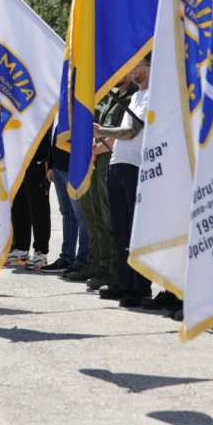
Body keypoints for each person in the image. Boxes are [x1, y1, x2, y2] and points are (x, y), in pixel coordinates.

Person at [95, 56, 151, 308]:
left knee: (133, 230)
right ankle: (122, 281)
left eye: (136, 66)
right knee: (119, 230)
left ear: (148, 68)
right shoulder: (134, 98)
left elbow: (132, 131)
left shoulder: (151, 97)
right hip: (118, 164)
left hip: (135, 167)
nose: (132, 70)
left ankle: (139, 287)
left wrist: (102, 130)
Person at [75, 74, 137, 289]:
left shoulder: (131, 98)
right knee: (94, 217)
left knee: (109, 218)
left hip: (107, 160)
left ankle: (112, 271)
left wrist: (94, 149)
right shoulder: (110, 98)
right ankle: (98, 265)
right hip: (96, 162)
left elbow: (118, 132)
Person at [42, 125, 91, 276]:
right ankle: (66, 257)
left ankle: (82, 260)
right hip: (58, 167)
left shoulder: (83, 103)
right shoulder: (62, 107)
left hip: (74, 168)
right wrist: (50, 165)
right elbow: (54, 137)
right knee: (67, 214)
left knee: (81, 216)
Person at [8, 136, 51, 268]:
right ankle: (21, 249)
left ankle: (41, 252)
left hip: (39, 159)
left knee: (38, 208)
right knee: (19, 205)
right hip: (21, 159)